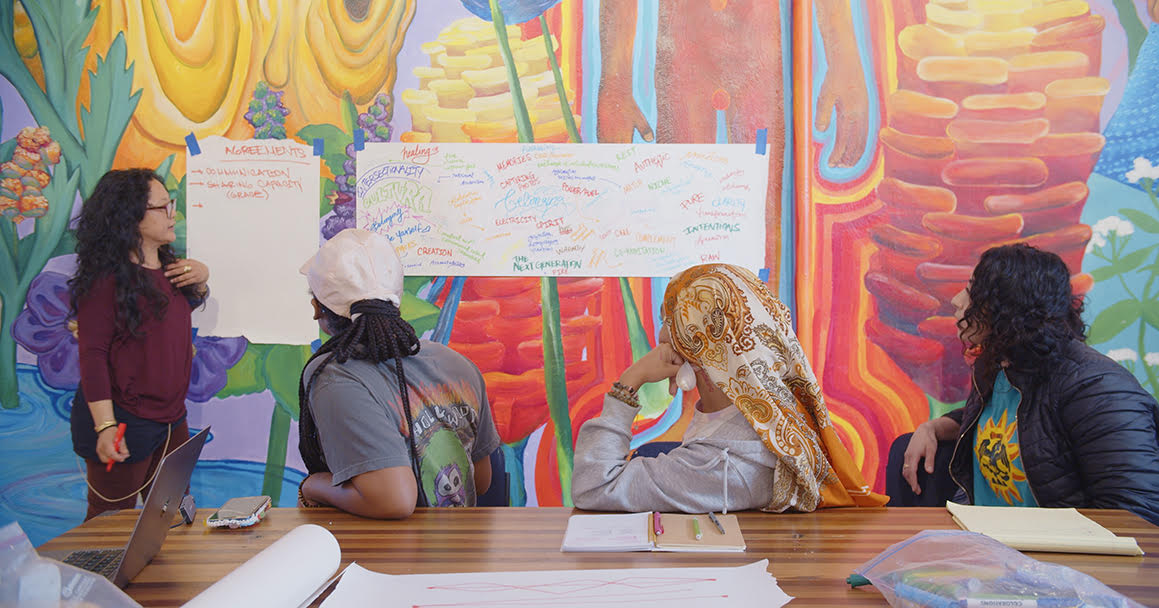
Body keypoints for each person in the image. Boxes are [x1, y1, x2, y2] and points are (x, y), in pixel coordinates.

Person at [572, 263, 887, 513]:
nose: (662, 335)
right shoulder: (771, 418)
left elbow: (595, 488)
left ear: (691, 347)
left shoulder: (722, 461)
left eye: (670, 321)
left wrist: (630, 381)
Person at [902, 244, 1159, 524]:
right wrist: (932, 427)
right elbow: (1012, 421)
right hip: (987, 549)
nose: (956, 300)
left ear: (1009, 305)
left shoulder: (1098, 389)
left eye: (972, 290)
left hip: (1050, 562)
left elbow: (1136, 516)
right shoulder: (1000, 362)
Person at [296, 228, 500, 518]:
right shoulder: (455, 363)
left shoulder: (336, 379)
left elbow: (394, 501)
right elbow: (480, 482)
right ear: (396, 302)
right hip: (460, 550)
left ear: (318, 309)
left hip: (394, 557)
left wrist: (313, 486)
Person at [69, 168, 210, 520]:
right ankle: (97, 579)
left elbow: (168, 317)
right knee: (109, 524)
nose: (172, 214)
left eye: (170, 204)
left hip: (171, 419)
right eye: (162, 207)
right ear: (131, 216)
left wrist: (202, 278)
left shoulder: (170, 268)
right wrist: (106, 427)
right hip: (123, 421)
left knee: (171, 515)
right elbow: (93, 356)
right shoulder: (106, 281)